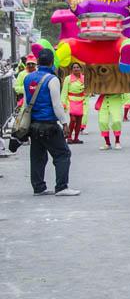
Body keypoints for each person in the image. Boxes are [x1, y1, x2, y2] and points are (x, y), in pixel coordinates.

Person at [25, 49, 80, 196]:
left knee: (37, 156)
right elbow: (56, 105)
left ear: (37, 62)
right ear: (51, 62)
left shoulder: (27, 78)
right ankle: (62, 187)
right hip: (49, 124)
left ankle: (38, 187)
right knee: (63, 154)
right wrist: (65, 123)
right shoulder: (52, 79)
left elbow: (26, 103)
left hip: (33, 125)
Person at [60, 62, 86, 144]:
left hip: (81, 101)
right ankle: (69, 137)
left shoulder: (84, 78)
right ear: (72, 69)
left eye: (78, 67)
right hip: (71, 101)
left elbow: (88, 90)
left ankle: (76, 138)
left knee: (79, 121)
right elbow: (64, 91)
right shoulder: (68, 78)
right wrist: (63, 103)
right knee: (73, 119)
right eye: (74, 67)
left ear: (80, 69)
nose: (76, 69)